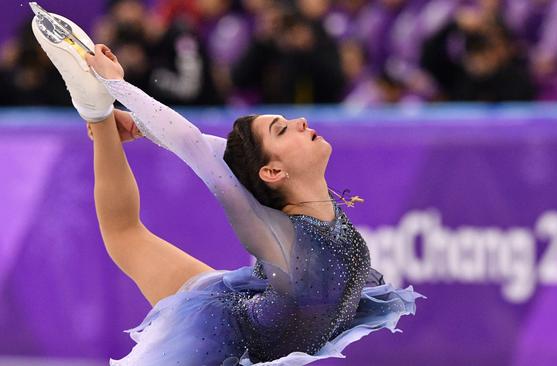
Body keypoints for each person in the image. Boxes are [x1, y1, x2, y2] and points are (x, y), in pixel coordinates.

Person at [31, 8, 422, 366]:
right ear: (272, 172)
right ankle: (95, 112)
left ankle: (99, 114)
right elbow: (195, 148)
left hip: (254, 313)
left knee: (126, 236)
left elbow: (206, 147)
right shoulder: (277, 233)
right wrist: (116, 86)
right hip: (220, 343)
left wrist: (143, 125)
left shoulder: (306, 204)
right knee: (125, 235)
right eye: (282, 129)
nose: (301, 120)